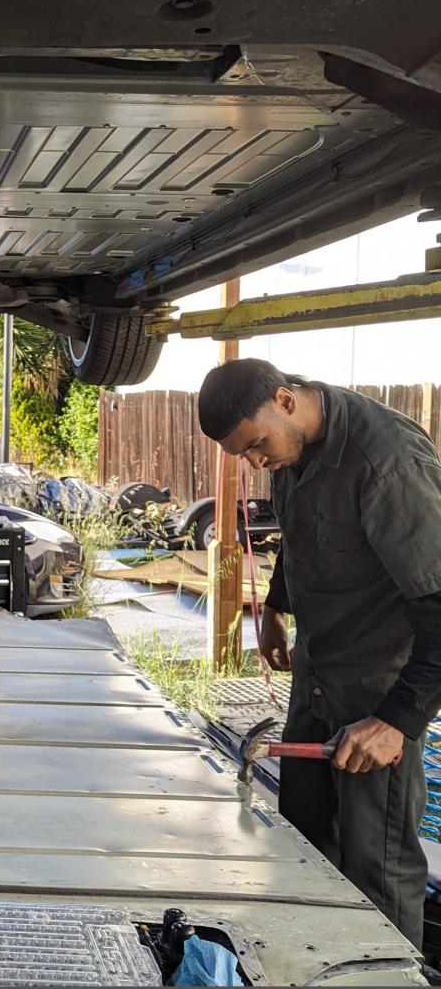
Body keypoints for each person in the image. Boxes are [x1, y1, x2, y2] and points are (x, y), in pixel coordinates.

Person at [198, 358, 441, 949]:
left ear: (285, 400)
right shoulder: (290, 446)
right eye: (244, 456)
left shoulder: (387, 462)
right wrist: (276, 608)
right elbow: (302, 534)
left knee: (377, 868)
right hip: (317, 674)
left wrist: (395, 722)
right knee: (303, 843)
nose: (256, 464)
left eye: (256, 446)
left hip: (375, 695)